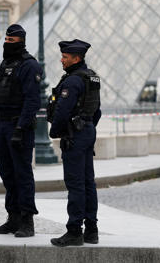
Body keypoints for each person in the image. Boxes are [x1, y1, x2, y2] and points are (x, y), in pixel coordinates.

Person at [0, 24, 42, 237]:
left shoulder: (29, 66)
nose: (7, 45)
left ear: (21, 42)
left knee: (22, 174)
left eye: (11, 42)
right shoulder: (3, 66)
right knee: (7, 174)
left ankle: (27, 221)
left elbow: (32, 101)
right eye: (6, 41)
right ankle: (13, 217)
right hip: (3, 126)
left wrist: (20, 128)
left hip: (19, 126)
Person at [48, 39, 101, 247]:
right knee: (89, 183)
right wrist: (87, 126)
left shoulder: (72, 81)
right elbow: (97, 110)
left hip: (74, 136)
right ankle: (91, 230)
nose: (61, 60)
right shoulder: (92, 77)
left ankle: (74, 231)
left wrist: (57, 131)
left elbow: (61, 111)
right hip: (87, 131)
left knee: (76, 184)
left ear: (76, 58)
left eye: (65, 57)